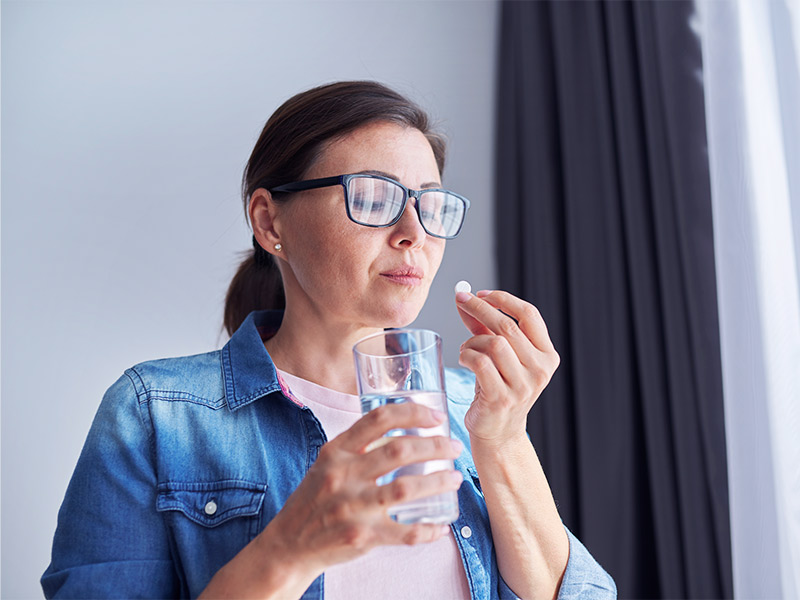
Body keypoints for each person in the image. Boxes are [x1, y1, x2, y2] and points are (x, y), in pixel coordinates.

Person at [42, 81, 616, 599]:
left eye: (430, 204)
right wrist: (288, 549)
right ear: (271, 223)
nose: (414, 234)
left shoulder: (471, 404)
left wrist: (504, 438)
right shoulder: (156, 415)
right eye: (372, 197)